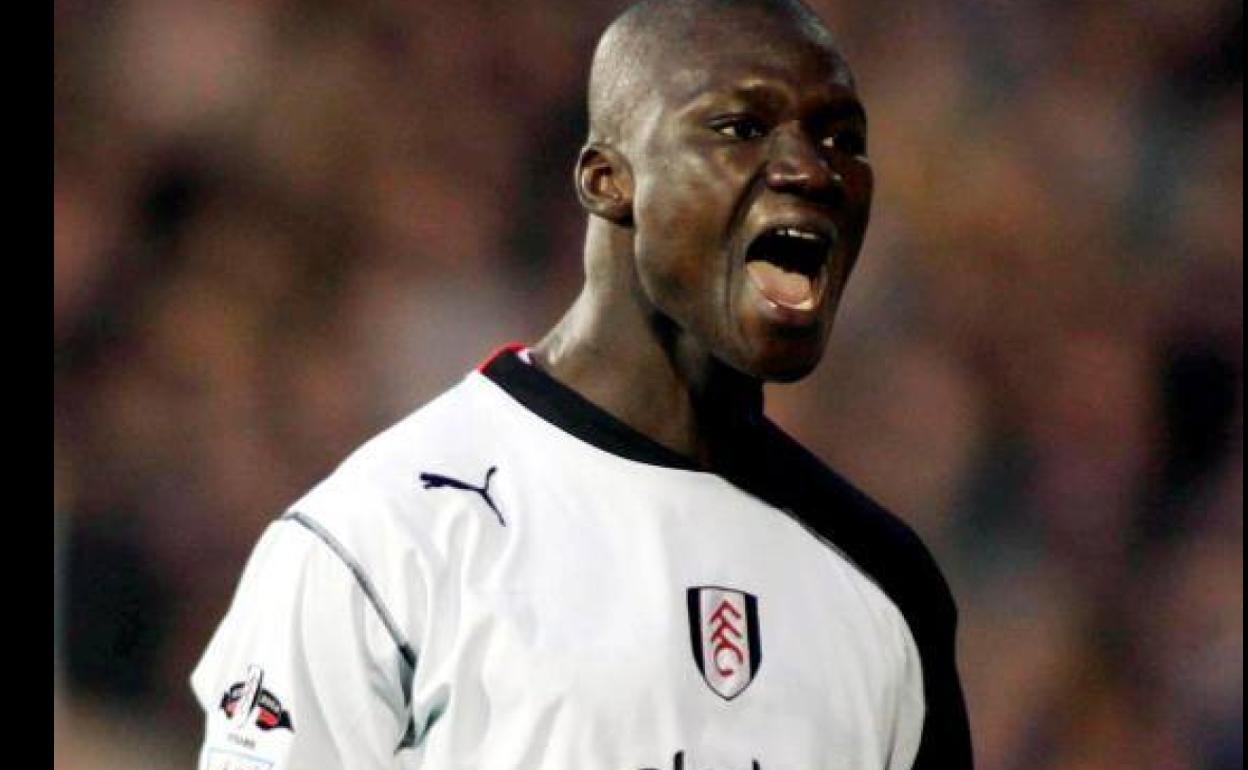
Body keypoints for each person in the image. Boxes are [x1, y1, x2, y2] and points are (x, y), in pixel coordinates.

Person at [190, 0, 973, 767]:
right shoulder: (381, 538)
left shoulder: (883, 580)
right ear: (608, 179)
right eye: (742, 128)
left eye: (843, 138)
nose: (813, 169)